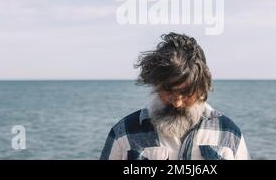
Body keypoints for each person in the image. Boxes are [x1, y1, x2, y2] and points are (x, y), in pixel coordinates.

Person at [100, 32, 250, 160]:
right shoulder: (124, 133)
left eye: (186, 93)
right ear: (155, 85)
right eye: (169, 91)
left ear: (202, 89)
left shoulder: (229, 133)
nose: (177, 103)